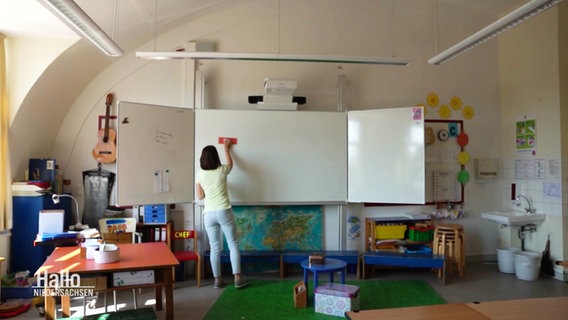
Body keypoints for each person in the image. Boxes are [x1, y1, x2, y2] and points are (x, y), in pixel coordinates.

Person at [195, 139, 248, 289]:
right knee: (233, 244)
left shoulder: (200, 174)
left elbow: (200, 197)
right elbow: (231, 164)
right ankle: (237, 277)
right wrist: (226, 148)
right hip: (224, 210)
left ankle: (217, 280)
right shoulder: (222, 170)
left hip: (209, 214)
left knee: (215, 247)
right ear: (216, 157)